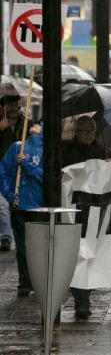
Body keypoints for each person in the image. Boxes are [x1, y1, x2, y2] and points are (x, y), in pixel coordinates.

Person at [62, 116, 107, 320]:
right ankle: (82, 301)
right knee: (75, 255)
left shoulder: (101, 151)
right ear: (76, 132)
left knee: (91, 254)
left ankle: (85, 296)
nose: (89, 133)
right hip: (74, 208)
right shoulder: (67, 152)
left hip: (96, 209)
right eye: (84, 130)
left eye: (92, 130)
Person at [0, 122, 43, 297]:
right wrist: (10, 195)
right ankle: (25, 282)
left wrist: (28, 164)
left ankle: (39, 281)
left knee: (39, 248)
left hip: (40, 207)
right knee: (23, 247)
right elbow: (3, 172)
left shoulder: (48, 151)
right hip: (20, 206)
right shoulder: (17, 147)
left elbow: (47, 177)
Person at [0, 96, 25, 252]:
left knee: (14, 204)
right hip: (2, 171)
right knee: (3, 205)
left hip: (18, 171)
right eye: (9, 104)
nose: (13, 108)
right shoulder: (2, 124)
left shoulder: (25, 123)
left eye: (15, 104)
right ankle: (5, 238)